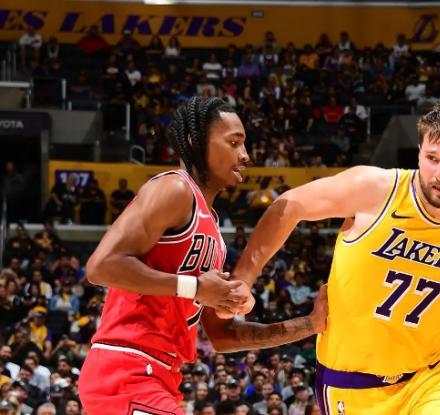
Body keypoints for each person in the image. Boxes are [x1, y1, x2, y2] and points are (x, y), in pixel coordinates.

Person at [232, 103, 440, 414]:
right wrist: (243, 279)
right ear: (419, 153)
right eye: (432, 158)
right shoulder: (373, 189)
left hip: (430, 378)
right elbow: (289, 206)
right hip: (350, 383)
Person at [78, 97, 328, 415]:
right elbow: (100, 267)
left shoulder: (214, 234)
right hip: (127, 367)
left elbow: (224, 336)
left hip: (161, 375)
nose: (245, 155)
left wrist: (310, 324)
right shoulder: (174, 189)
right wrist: (195, 287)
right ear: (196, 143)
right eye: (234, 143)